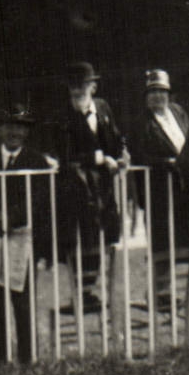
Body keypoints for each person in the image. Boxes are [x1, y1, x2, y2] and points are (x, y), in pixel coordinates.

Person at [0, 105, 53, 365]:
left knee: (22, 301)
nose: (14, 132)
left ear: (27, 132)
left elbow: (39, 199)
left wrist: (12, 217)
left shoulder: (36, 161)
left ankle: (27, 358)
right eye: (9, 126)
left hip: (23, 237)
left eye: (20, 127)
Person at [57, 61, 127, 311]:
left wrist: (121, 155)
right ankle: (82, 294)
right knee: (81, 240)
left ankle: (95, 290)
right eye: (73, 86)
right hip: (77, 189)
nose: (77, 90)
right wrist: (98, 158)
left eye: (83, 85)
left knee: (104, 237)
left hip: (103, 189)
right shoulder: (64, 114)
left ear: (93, 87)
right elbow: (64, 155)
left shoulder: (103, 108)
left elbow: (116, 139)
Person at [134, 68, 189, 267]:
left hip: (182, 187)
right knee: (162, 241)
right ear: (146, 97)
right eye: (153, 92)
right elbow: (140, 154)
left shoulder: (178, 112)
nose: (158, 96)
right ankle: (161, 291)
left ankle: (183, 291)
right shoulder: (143, 122)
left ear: (169, 94)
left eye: (161, 91)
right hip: (158, 189)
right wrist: (166, 163)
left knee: (184, 238)